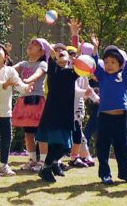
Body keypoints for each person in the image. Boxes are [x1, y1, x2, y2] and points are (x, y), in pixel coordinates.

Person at [91, 31, 127, 185]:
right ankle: (105, 174)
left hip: (120, 117)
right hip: (105, 117)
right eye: (106, 62)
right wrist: (94, 49)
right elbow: (94, 64)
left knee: (122, 146)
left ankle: (125, 174)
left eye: (112, 62)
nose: (109, 65)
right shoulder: (103, 76)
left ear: (119, 64)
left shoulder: (123, 76)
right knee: (103, 146)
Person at [0, 42, 29, 180]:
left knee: (6, 139)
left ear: (6, 57)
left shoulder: (11, 71)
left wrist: (26, 88)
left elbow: (19, 84)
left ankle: (3, 165)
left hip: (6, 113)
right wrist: (5, 84)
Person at [35, 42, 81, 183]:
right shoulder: (53, 69)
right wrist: (52, 56)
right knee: (62, 145)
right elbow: (52, 62)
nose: (60, 51)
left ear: (69, 58)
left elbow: (85, 67)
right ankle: (46, 167)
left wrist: (82, 51)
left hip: (66, 115)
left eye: (63, 51)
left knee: (61, 146)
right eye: (57, 51)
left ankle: (53, 165)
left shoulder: (72, 73)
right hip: (53, 114)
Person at [11, 38, 49, 171]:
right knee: (28, 133)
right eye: (30, 43)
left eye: (35, 44)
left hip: (38, 101)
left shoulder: (43, 64)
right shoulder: (23, 63)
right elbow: (9, 70)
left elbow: (38, 74)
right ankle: (32, 160)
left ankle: (43, 162)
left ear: (42, 51)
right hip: (25, 101)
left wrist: (26, 81)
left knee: (42, 134)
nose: (30, 45)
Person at [68, 44, 98, 168]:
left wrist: (97, 99)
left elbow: (87, 88)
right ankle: (55, 159)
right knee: (68, 133)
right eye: (70, 55)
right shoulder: (68, 71)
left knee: (77, 132)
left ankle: (80, 156)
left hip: (78, 108)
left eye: (75, 54)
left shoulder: (83, 74)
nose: (73, 57)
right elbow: (73, 89)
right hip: (66, 108)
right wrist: (84, 93)